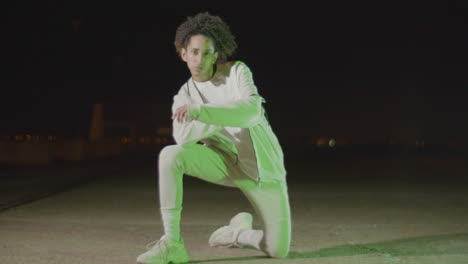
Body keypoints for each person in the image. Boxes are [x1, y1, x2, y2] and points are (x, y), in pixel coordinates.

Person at [136, 11, 291, 264]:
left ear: (216, 55)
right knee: (170, 155)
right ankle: (172, 243)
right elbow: (183, 137)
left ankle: (239, 232)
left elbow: (252, 113)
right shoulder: (183, 95)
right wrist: (225, 113)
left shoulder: (237, 72)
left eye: (207, 53)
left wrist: (201, 113)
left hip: (265, 171)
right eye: (194, 52)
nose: (200, 59)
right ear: (183, 54)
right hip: (225, 165)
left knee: (277, 249)